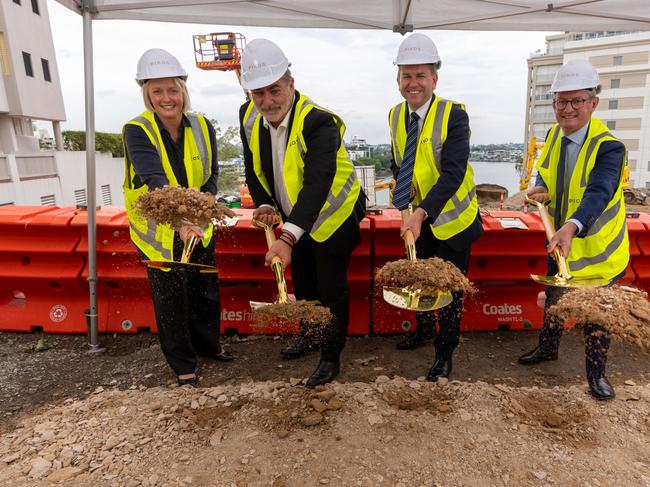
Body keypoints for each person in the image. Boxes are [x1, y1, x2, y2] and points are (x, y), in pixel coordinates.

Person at [238, 39, 365, 387]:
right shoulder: (249, 116)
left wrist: (288, 236)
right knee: (305, 282)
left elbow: (317, 184)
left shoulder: (319, 123)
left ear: (291, 85)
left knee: (331, 290)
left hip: (333, 219)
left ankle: (330, 357)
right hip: (294, 220)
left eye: (274, 90)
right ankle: (309, 335)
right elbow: (254, 167)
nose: (267, 101)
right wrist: (264, 202)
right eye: (258, 93)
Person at [518, 59, 629, 400]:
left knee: (597, 318)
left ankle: (596, 376)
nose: (568, 109)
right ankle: (548, 348)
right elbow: (545, 174)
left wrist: (570, 227)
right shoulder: (553, 136)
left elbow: (599, 192)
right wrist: (538, 188)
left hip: (598, 252)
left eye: (577, 101)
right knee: (554, 300)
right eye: (561, 101)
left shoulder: (609, 147)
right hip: (560, 244)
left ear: (593, 103)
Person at [122, 48, 233, 387]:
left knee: (204, 289)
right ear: (147, 94)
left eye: (173, 90)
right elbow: (154, 179)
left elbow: (211, 172)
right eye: (157, 91)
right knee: (171, 298)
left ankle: (208, 346)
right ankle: (183, 363)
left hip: (198, 226)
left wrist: (206, 205)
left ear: (183, 91)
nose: (167, 98)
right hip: (158, 230)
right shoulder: (136, 130)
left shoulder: (201, 125)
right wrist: (180, 221)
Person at [389, 34, 483, 381]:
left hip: (454, 221)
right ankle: (424, 329)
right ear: (398, 79)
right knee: (421, 278)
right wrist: (402, 201)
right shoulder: (395, 115)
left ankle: (445, 353)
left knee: (450, 290)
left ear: (434, 79)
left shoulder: (454, 115)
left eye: (420, 76)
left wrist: (421, 211)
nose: (412, 84)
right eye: (406, 76)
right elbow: (400, 164)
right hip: (419, 219)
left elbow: (454, 172)